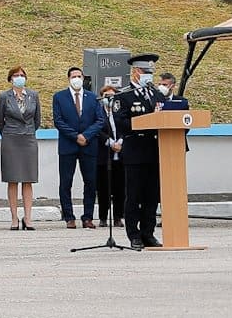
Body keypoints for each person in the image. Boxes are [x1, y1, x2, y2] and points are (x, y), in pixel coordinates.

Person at [109, 57, 163, 248]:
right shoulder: (124, 95)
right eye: (145, 71)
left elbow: (164, 116)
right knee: (134, 195)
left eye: (151, 71)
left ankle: (148, 232)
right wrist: (143, 122)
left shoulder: (155, 93)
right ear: (135, 72)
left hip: (154, 150)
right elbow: (120, 121)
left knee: (152, 195)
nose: (149, 75)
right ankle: (134, 234)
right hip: (135, 150)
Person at [53, 66, 105, 230]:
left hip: (88, 145)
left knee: (90, 182)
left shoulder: (92, 97)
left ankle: (88, 217)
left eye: (79, 76)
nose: (77, 79)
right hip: (68, 145)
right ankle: (69, 217)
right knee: (65, 182)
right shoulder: (59, 97)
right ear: (68, 79)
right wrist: (76, 136)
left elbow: (100, 120)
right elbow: (58, 120)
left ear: (83, 79)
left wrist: (86, 135)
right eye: (73, 76)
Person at [0, 65, 41, 230]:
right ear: (10, 79)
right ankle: (14, 218)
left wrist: (27, 131)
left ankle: (27, 218)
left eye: (22, 75)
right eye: (16, 75)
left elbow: (37, 120)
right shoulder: (4, 96)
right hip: (11, 139)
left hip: (28, 138)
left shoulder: (33, 95)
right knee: (12, 179)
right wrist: (10, 133)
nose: (19, 77)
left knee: (28, 179)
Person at [94, 75, 125, 230]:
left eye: (112, 96)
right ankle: (103, 217)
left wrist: (120, 141)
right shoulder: (98, 113)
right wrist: (109, 142)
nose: (109, 99)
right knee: (103, 188)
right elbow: (98, 130)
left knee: (120, 188)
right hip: (103, 155)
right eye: (107, 96)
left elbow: (126, 127)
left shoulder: (120, 113)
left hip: (120, 156)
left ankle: (119, 216)